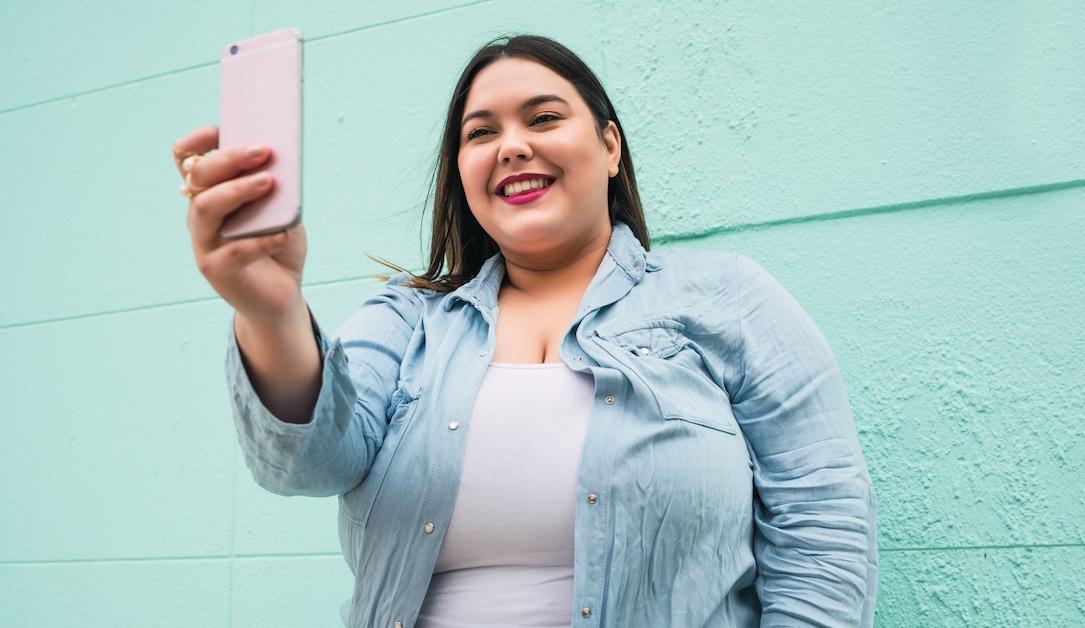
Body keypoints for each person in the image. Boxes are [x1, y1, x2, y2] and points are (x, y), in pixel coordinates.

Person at [171, 34, 877, 628]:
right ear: (463, 171)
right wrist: (269, 310)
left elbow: (824, 532)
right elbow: (310, 460)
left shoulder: (730, 299)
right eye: (482, 132)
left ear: (609, 147)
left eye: (542, 118)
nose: (511, 146)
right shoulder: (408, 316)